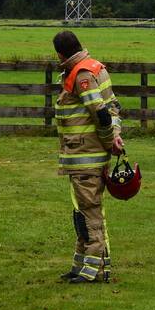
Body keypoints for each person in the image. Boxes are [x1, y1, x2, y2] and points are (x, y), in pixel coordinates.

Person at [53, 30, 124, 283]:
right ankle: (81, 265)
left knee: (89, 212)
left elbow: (101, 113)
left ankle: (96, 270)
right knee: (81, 211)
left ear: (60, 53)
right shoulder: (95, 67)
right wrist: (115, 135)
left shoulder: (82, 74)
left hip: (86, 155)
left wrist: (108, 142)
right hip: (87, 155)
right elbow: (114, 106)